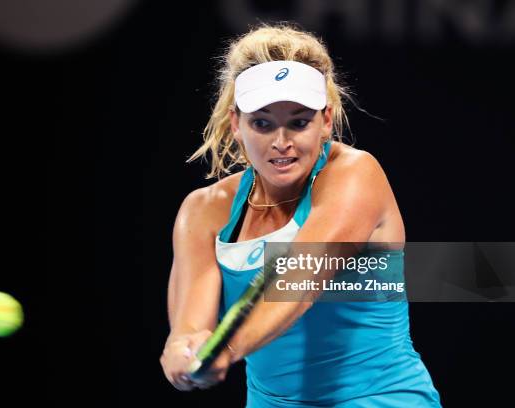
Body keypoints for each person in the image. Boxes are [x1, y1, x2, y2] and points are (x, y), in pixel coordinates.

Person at [160, 23, 442, 407]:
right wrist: (182, 350)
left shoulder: (357, 174)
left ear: (325, 121)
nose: (281, 142)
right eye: (262, 122)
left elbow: (300, 280)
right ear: (236, 125)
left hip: (382, 399)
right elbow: (191, 324)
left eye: (299, 121)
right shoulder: (204, 209)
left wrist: (227, 348)